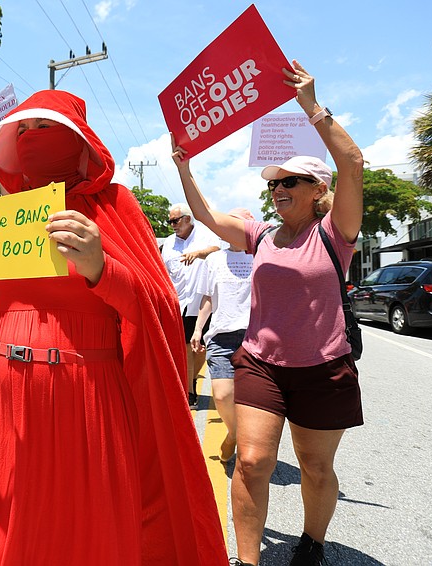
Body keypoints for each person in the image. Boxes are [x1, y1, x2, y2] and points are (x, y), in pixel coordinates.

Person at [0, 90, 226, 565]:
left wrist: (104, 268)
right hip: (9, 402)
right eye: (23, 130)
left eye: (43, 127)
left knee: (87, 535)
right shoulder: (2, 218)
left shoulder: (114, 205)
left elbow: (158, 305)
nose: (31, 138)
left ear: (77, 138)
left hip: (87, 399)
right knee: (7, 534)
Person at [171, 61, 364, 566]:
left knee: (315, 468)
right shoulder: (259, 236)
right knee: (253, 461)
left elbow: (354, 163)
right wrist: (184, 170)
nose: (279, 190)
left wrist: (310, 106)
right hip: (261, 364)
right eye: (275, 184)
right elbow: (210, 219)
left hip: (323, 369)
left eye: (291, 183)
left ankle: (312, 543)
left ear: (319, 190)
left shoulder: (333, 233)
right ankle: (247, 559)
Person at [190, 207, 255, 465]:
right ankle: (234, 433)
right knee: (222, 395)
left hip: (256, 336)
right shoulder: (215, 260)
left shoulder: (262, 256)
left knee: (254, 399)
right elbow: (207, 297)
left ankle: (245, 439)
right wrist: (198, 329)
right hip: (221, 335)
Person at [162, 202, 220, 408]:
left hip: (202, 301)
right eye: (170, 221)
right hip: (178, 302)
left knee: (200, 348)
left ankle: (190, 380)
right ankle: (189, 391)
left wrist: (198, 253)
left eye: (175, 220)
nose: (172, 225)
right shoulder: (169, 243)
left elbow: (218, 248)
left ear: (187, 219)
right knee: (187, 346)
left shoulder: (204, 235)